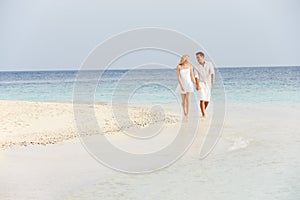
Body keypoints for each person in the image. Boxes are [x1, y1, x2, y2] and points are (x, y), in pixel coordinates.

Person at [193, 52, 215, 118]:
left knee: (207, 100)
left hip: (208, 84)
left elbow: (212, 73)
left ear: (202, 57)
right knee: (202, 98)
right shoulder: (196, 67)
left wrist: (213, 80)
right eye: (196, 58)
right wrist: (197, 85)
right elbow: (196, 76)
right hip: (201, 83)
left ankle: (203, 111)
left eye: (198, 57)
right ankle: (204, 115)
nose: (197, 59)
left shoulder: (209, 64)